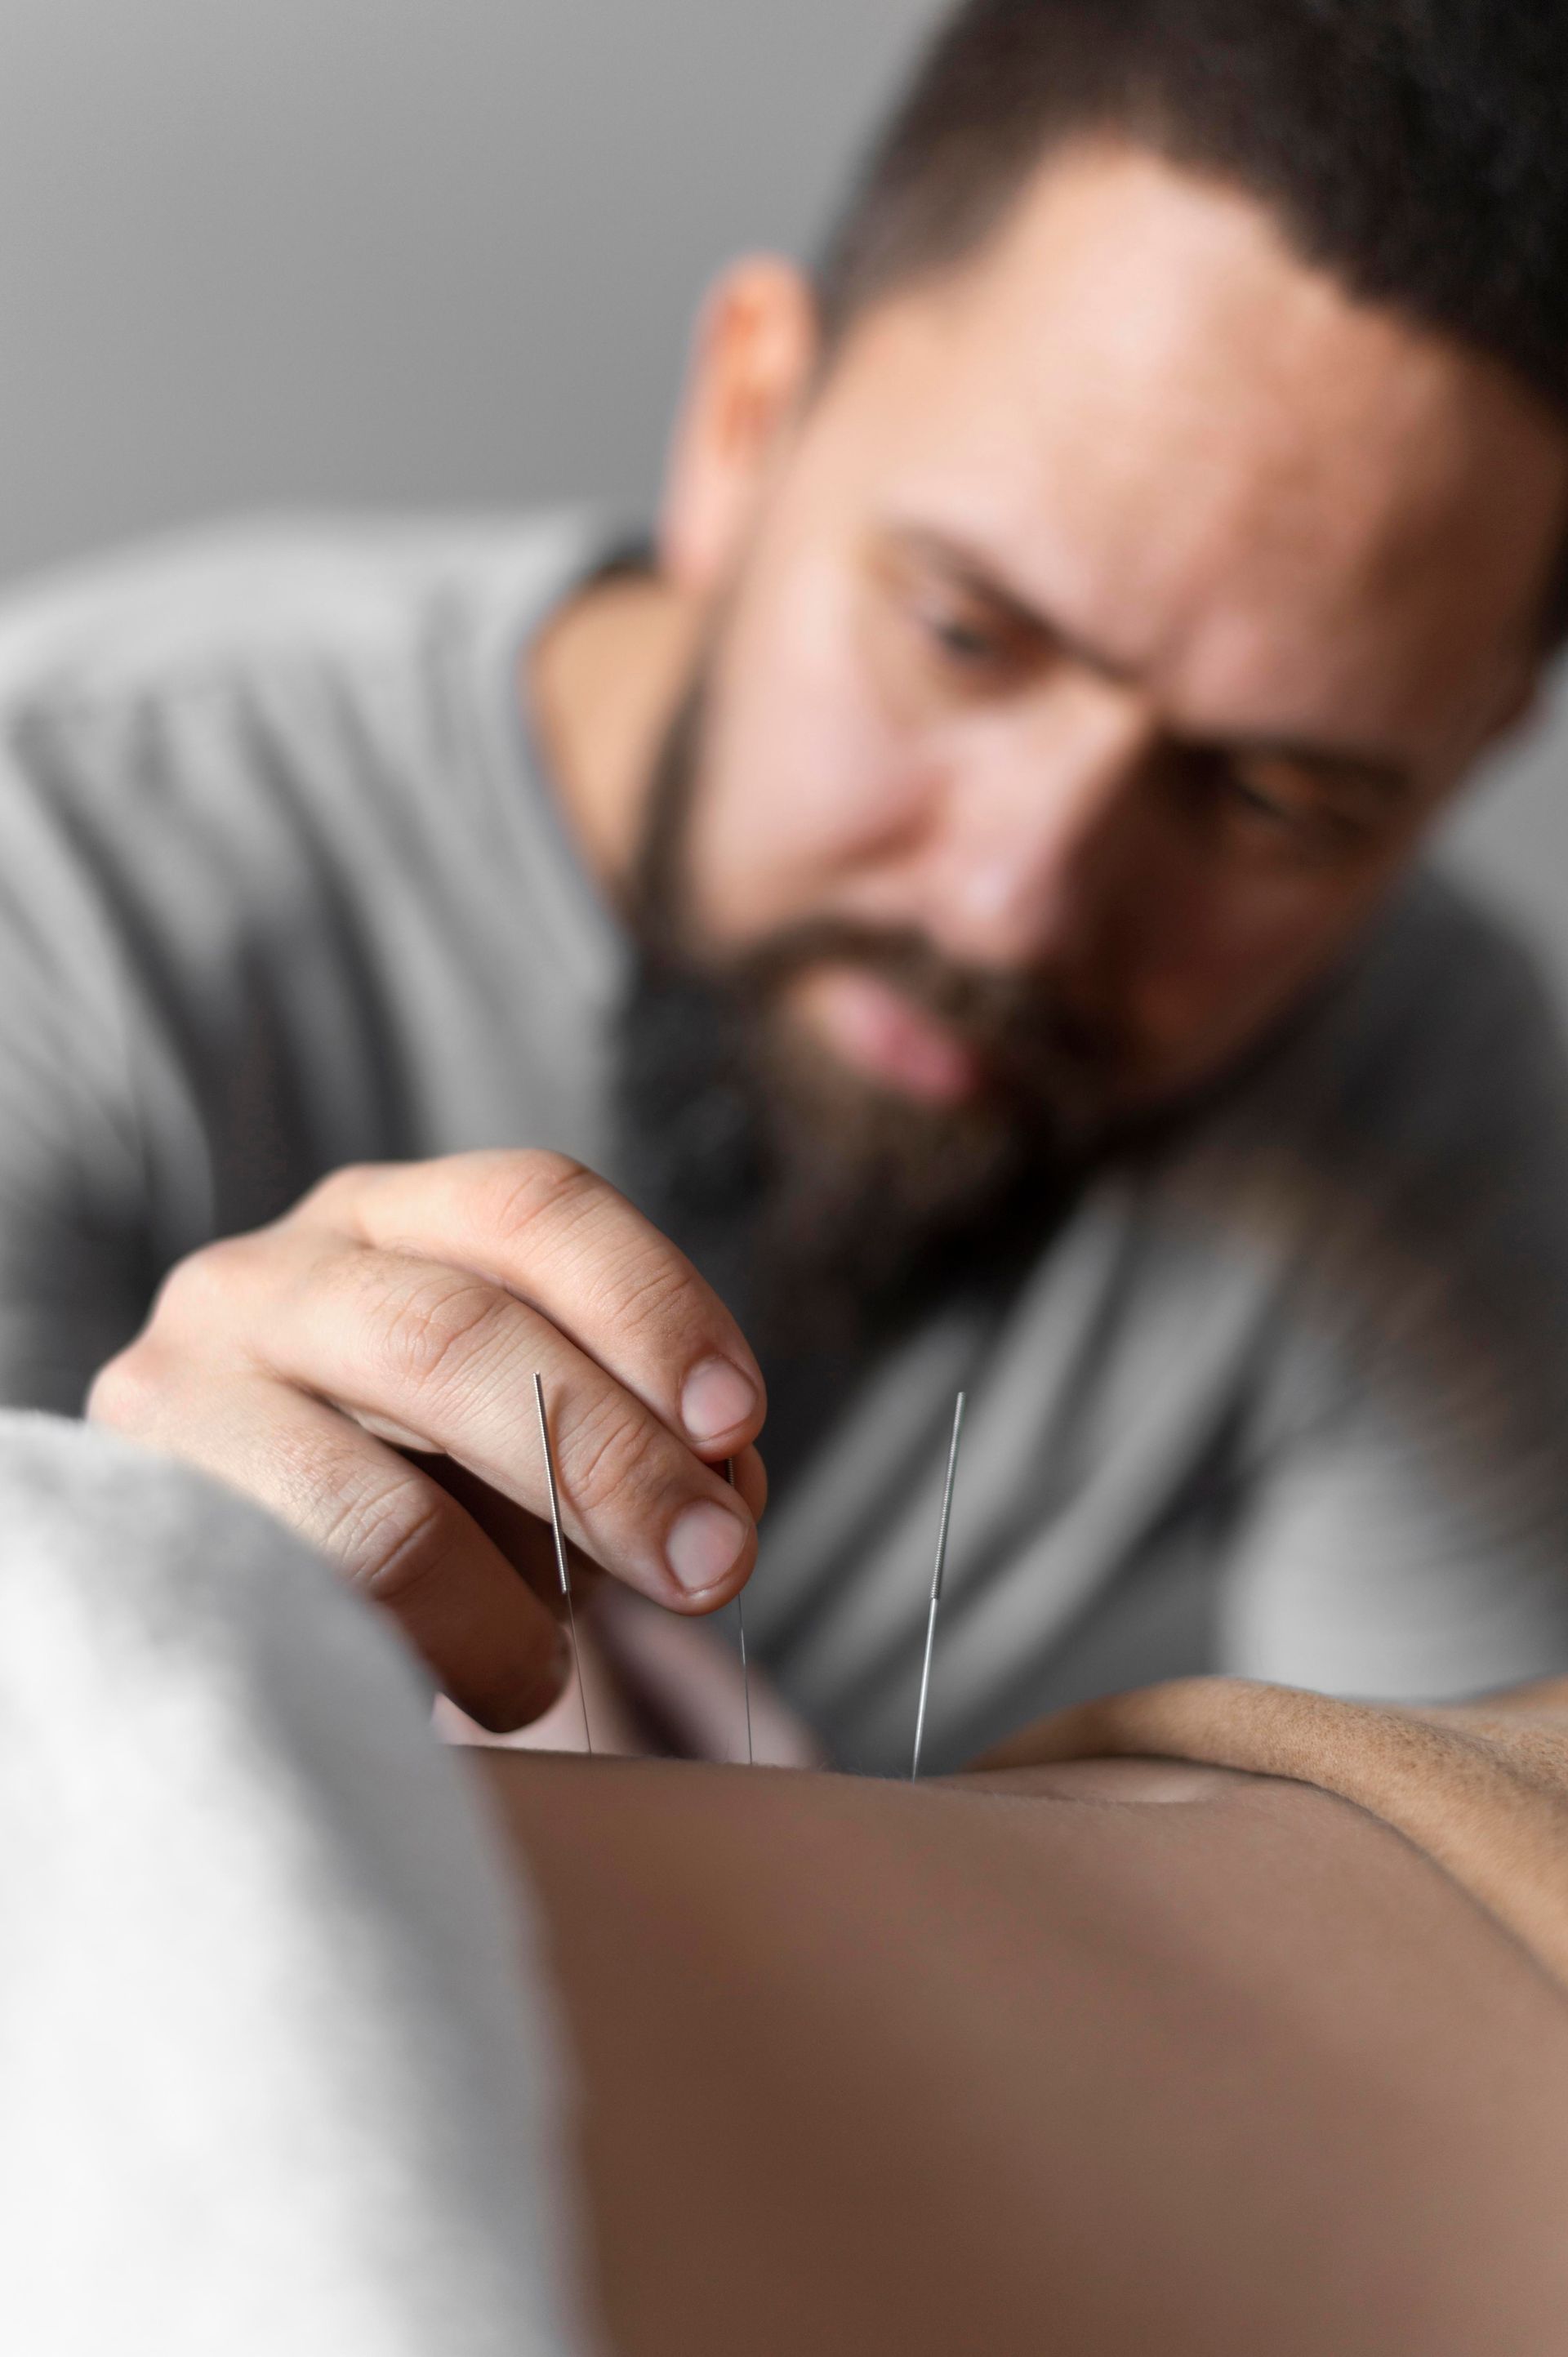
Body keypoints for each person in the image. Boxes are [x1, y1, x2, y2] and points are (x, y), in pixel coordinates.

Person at [5, 0, 1568, 1769]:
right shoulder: (46, 881)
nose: (1014, 907)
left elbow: (1496, 1968)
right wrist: (112, 1625)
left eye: (1280, 796)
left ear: (1474, 748)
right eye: (968, 634)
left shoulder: (1417, 1079)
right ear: (747, 420)